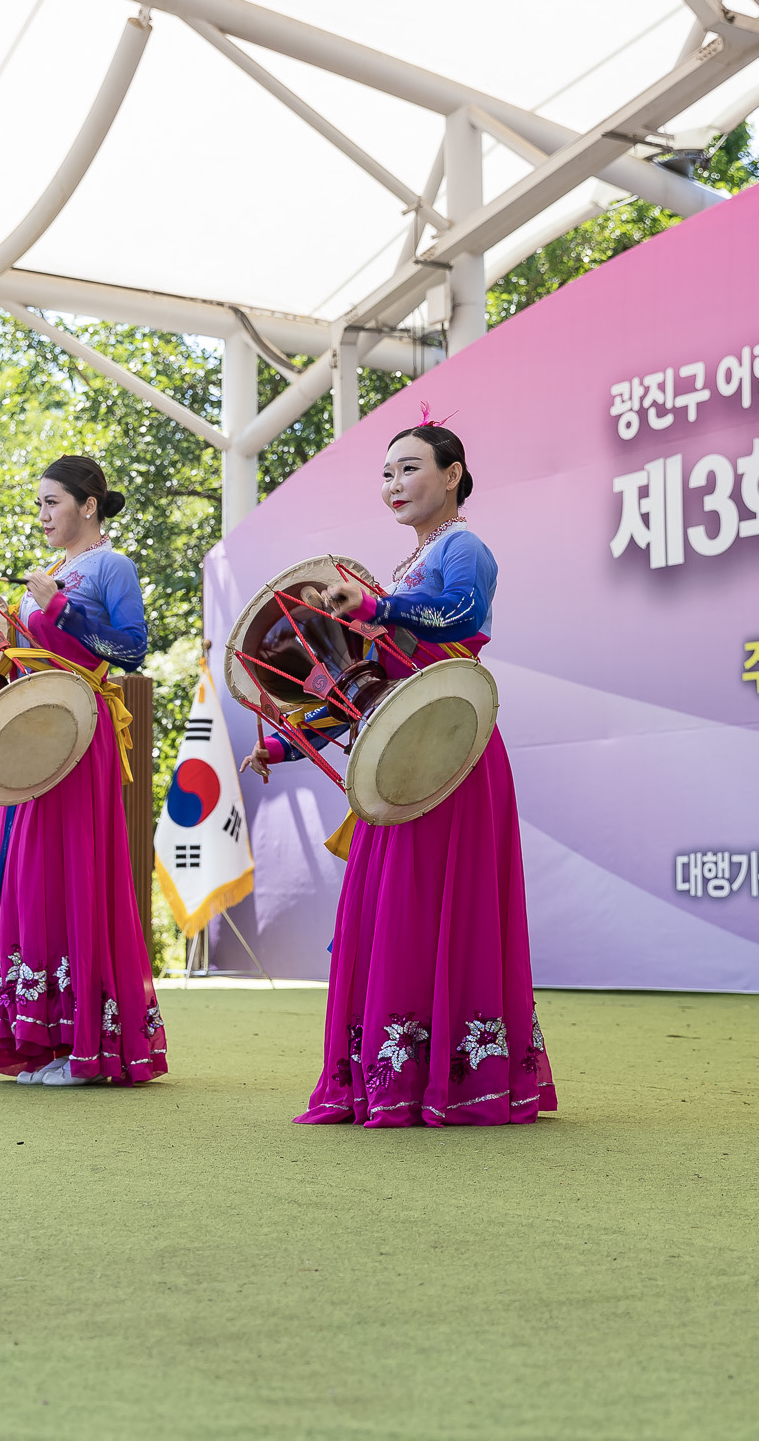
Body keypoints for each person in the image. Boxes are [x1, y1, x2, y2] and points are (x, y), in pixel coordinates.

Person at [242, 424, 555, 1127]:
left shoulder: (462, 548)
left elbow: (466, 614)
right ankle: (395, 1078)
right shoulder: (401, 570)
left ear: (452, 474)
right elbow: (368, 681)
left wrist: (381, 607)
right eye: (385, 473)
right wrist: (286, 744)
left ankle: (458, 1080)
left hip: (452, 750)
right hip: (395, 753)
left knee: (442, 907)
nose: (393, 483)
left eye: (409, 468)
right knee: (395, 913)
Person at [0, 455, 167, 1086]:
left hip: (81, 730)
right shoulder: (48, 573)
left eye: (53, 502)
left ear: (88, 504)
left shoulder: (112, 566)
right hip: (36, 733)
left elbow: (131, 649)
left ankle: (86, 1046)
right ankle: (47, 1038)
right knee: (31, 878)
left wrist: (62, 610)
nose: (44, 515)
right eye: (40, 505)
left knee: (73, 873)